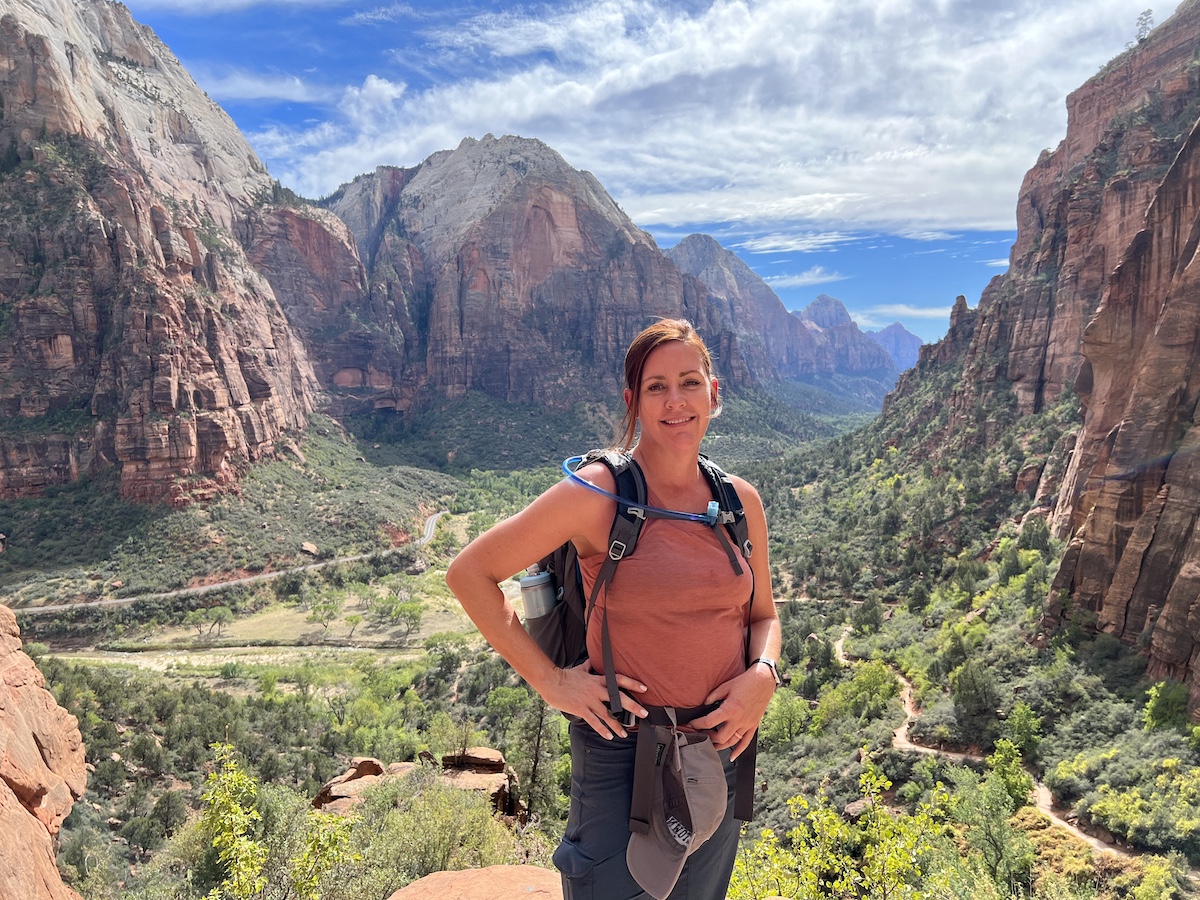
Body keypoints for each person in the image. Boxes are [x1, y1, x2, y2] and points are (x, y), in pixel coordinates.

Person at [446, 318, 780, 899]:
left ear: (714, 392)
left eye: (689, 382)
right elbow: (469, 574)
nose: (675, 401)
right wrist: (551, 682)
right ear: (633, 400)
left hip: (719, 750)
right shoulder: (598, 495)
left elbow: (763, 616)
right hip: (622, 756)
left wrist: (764, 676)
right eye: (656, 387)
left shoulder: (739, 502)